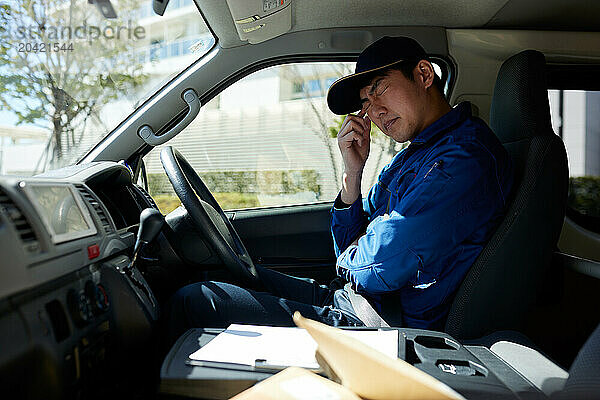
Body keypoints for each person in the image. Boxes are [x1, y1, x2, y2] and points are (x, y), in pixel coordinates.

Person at [163, 36, 513, 343]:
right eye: (366, 103)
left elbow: (381, 264)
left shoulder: (463, 159)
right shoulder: (416, 155)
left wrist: (356, 252)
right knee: (216, 275)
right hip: (355, 301)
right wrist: (352, 173)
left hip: (381, 327)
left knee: (197, 300)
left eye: (378, 89)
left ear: (423, 74)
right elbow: (357, 248)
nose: (373, 112)